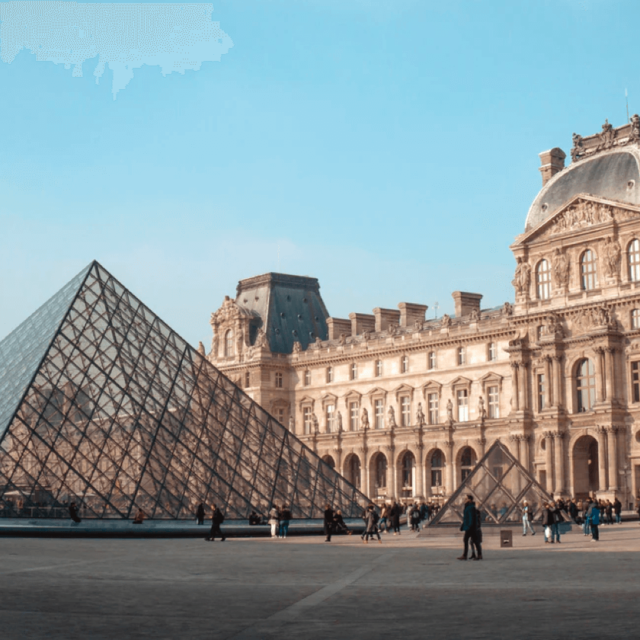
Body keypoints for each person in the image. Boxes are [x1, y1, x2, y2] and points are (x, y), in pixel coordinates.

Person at [457, 495, 478, 560]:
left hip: (470, 527)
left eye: (466, 498)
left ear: (469, 499)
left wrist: (469, 526)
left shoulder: (470, 507)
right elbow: (466, 518)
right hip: (469, 526)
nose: (464, 499)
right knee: (474, 541)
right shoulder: (469, 506)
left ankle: (465, 555)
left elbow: (471, 517)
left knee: (467, 540)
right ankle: (477, 554)